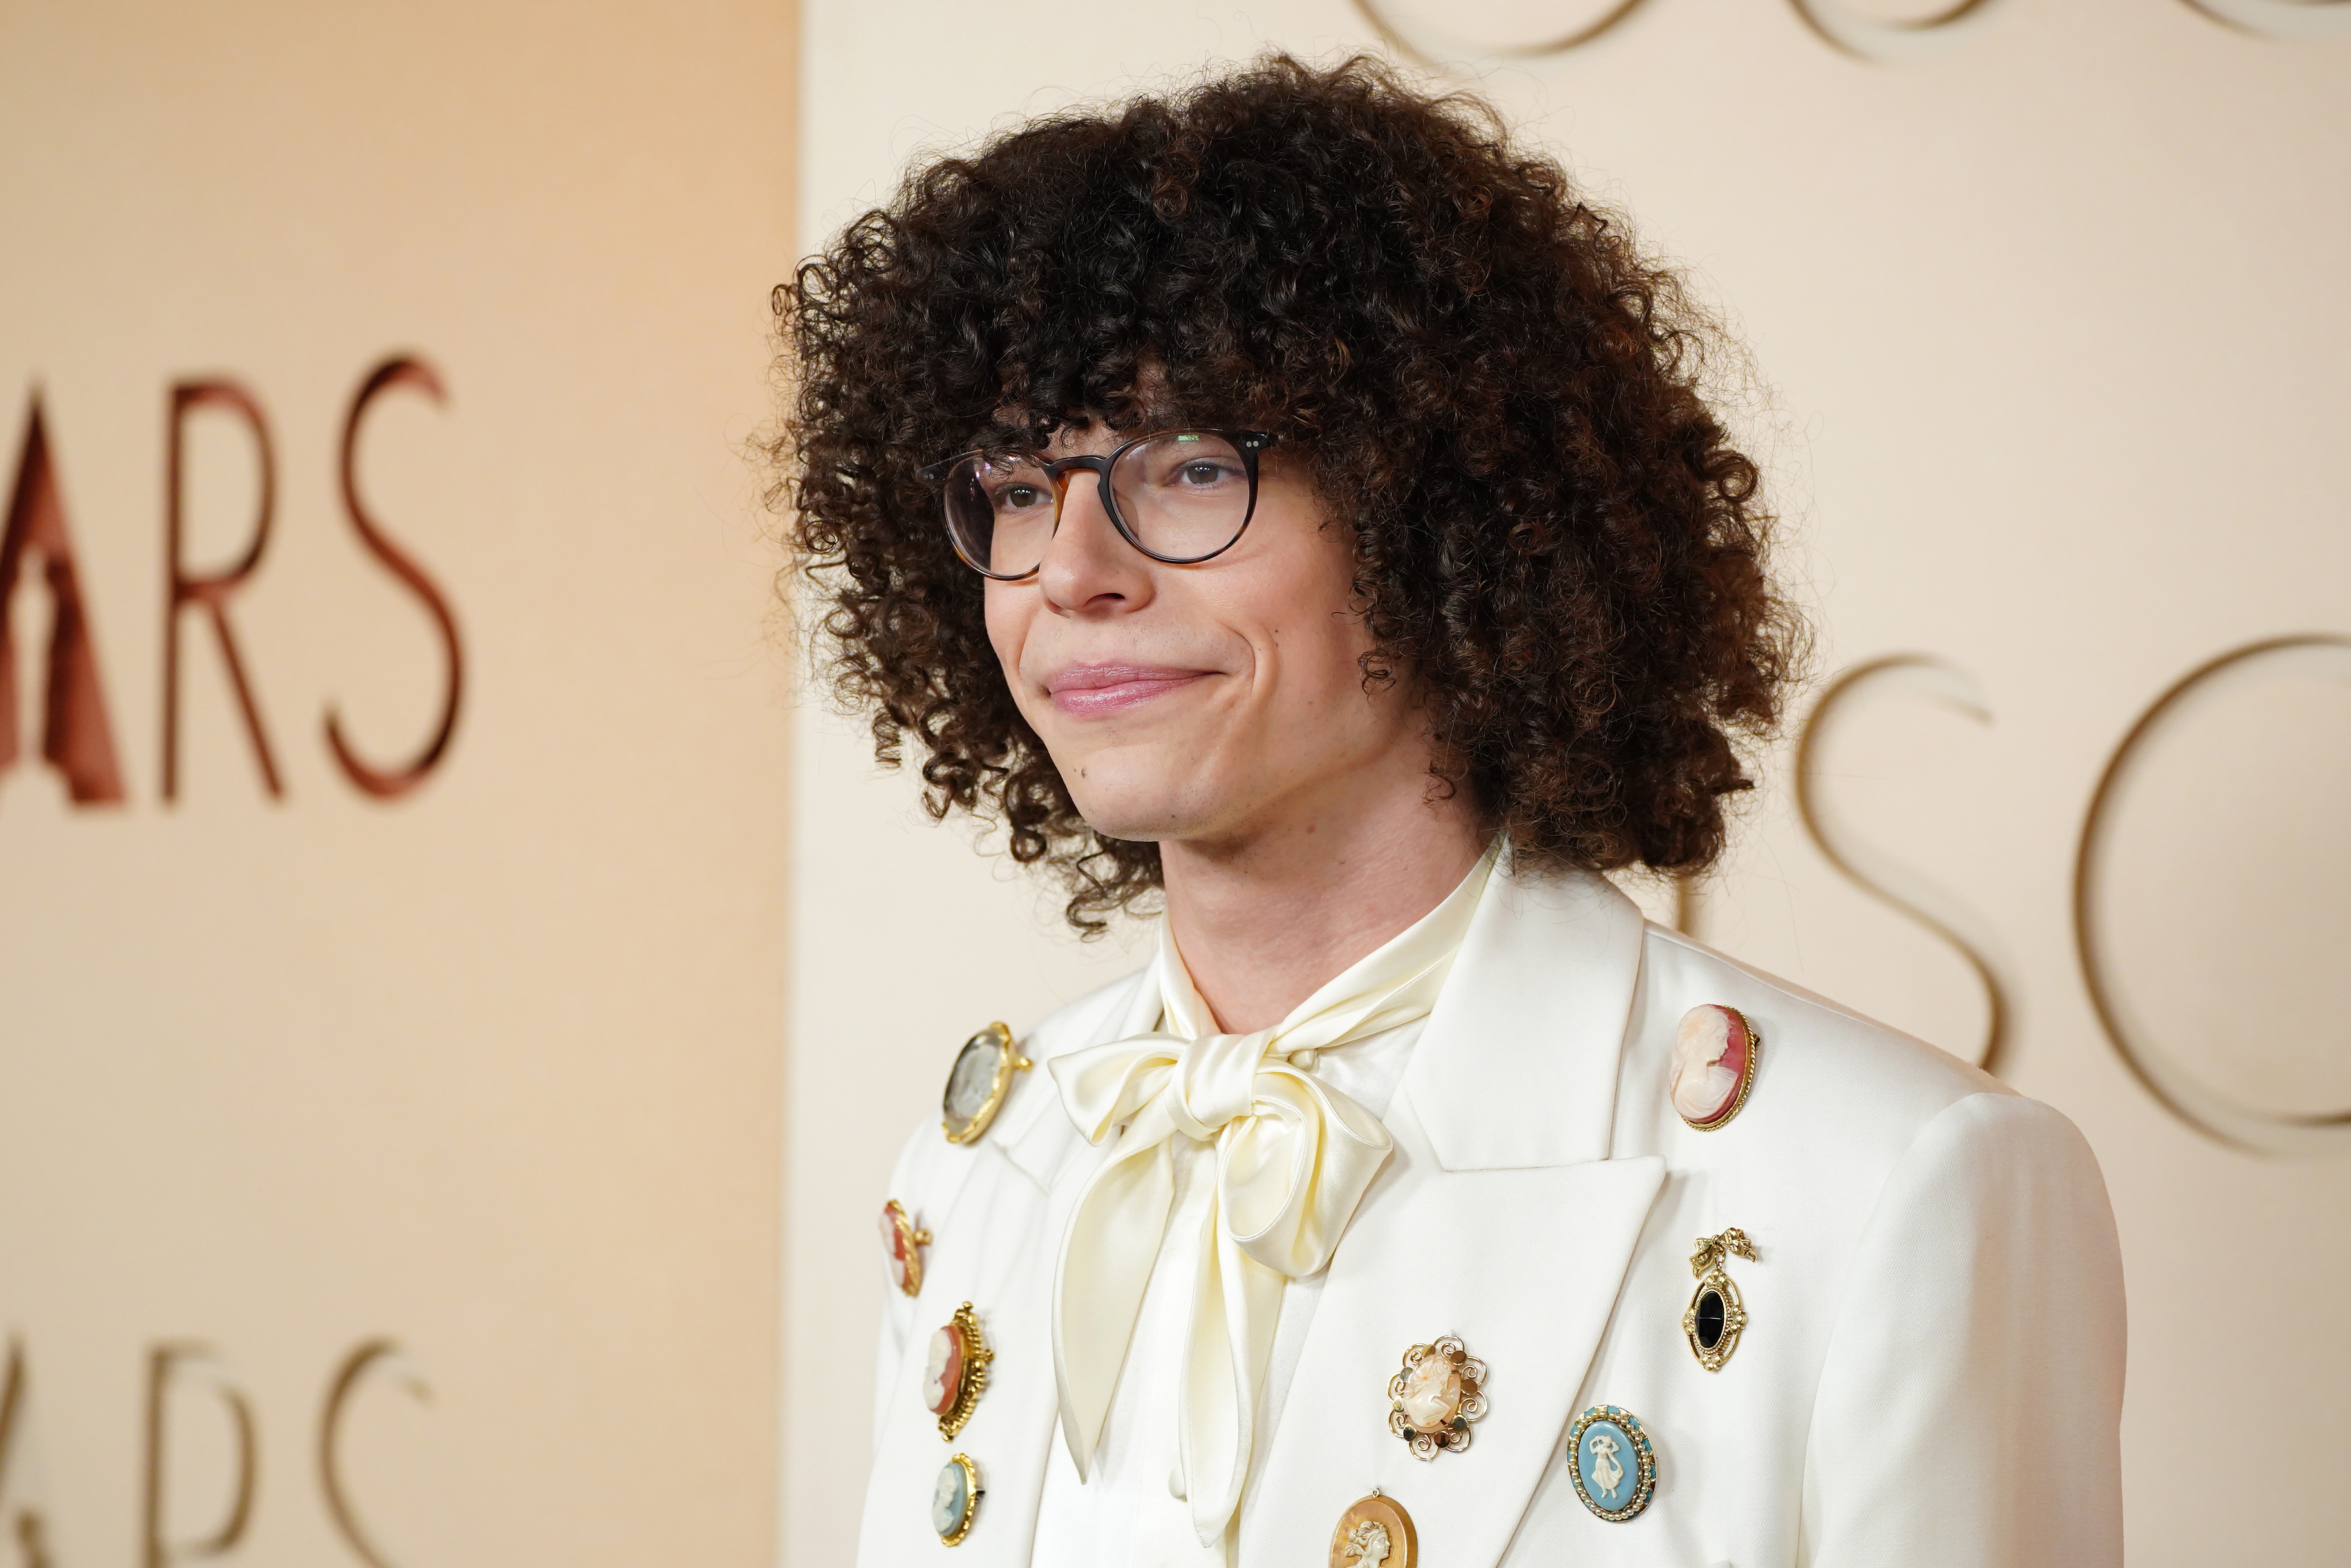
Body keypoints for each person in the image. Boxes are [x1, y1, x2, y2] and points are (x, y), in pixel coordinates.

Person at [775, 53, 2123, 1568]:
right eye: (1017, 488)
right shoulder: (978, 1163)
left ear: (1438, 518)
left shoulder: (1890, 1180)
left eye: (1191, 468)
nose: (1071, 570)